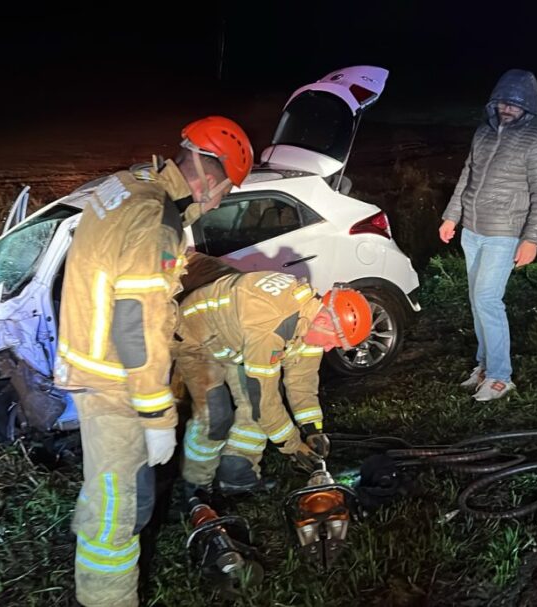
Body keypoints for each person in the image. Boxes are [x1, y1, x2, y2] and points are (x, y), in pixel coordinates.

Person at [54, 116, 253, 607]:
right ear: (209, 176)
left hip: (95, 368)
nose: (221, 201)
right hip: (114, 382)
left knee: (129, 495)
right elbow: (135, 326)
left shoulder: (129, 184)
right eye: (226, 189)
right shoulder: (157, 220)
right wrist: (157, 417)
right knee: (115, 514)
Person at [175, 271, 372, 496]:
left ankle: (236, 475)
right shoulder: (272, 324)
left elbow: (302, 380)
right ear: (325, 320)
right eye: (332, 342)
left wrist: (312, 429)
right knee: (215, 416)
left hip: (235, 341)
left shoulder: (312, 320)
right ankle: (195, 487)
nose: (328, 349)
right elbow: (264, 401)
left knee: (255, 408)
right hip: (195, 340)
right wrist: (293, 446)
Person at [438, 69, 537, 402]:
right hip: (472, 231)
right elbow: (467, 176)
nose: (507, 108)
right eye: (503, 101)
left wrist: (532, 239)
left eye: (515, 104)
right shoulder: (483, 133)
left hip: (505, 233)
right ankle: (483, 365)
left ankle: (500, 376)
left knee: (488, 300)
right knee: (478, 303)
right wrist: (452, 217)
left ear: (529, 107)